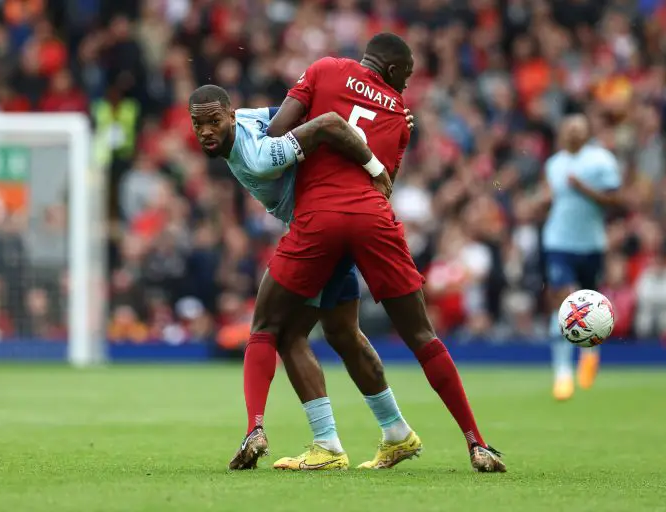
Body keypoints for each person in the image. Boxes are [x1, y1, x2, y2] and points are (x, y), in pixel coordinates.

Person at [238, 33, 506, 472]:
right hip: (371, 221)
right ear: (396, 70)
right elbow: (385, 185)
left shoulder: (325, 69)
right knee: (415, 336)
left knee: (273, 326)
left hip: (319, 221)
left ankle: (273, 433)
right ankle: (474, 443)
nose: (405, 87)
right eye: (408, 77)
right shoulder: (400, 116)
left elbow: (276, 134)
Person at [187, 85, 421, 470]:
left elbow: (328, 120)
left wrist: (377, 160)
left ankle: (321, 443)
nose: (207, 130)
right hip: (336, 222)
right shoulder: (248, 119)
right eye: (199, 124)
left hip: (319, 227)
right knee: (343, 334)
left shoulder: (259, 156)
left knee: (279, 329)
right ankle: (396, 431)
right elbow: (316, 107)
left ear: (230, 115)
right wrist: (387, 121)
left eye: (214, 121)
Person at [538, 114, 622, 401]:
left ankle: (590, 353)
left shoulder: (600, 161)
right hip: (558, 240)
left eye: (578, 129)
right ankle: (562, 373)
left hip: (591, 243)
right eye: (568, 129)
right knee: (562, 300)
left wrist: (583, 189)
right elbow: (553, 197)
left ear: (587, 132)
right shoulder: (554, 164)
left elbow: (615, 200)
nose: (572, 133)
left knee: (591, 303)